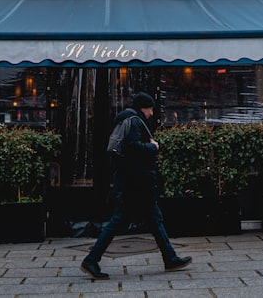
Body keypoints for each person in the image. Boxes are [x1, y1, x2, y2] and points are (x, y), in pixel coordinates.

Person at [80, 92, 192, 280]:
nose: (151, 113)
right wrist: (153, 147)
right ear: (143, 107)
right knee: (118, 221)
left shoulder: (127, 120)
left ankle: (170, 257)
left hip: (134, 182)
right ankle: (91, 260)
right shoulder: (135, 121)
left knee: (154, 219)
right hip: (135, 184)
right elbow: (133, 149)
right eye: (150, 108)